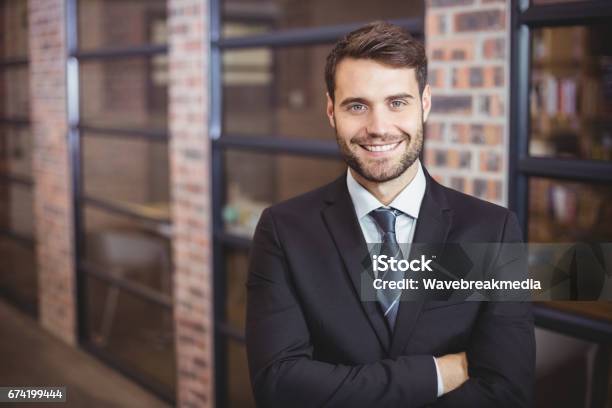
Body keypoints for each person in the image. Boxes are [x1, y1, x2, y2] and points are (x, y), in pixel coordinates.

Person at [245, 21, 535, 407]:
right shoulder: (283, 231)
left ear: (425, 104)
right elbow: (279, 384)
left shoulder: (493, 230)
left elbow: (507, 390)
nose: (378, 128)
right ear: (331, 111)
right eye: (357, 106)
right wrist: (436, 374)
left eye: (397, 102)